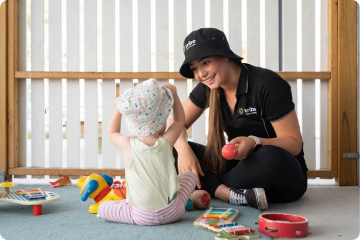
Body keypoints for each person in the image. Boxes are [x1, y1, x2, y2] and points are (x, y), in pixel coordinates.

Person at [171, 28, 308, 210]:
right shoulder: (209, 87)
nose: (200, 74)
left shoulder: (267, 84)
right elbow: (176, 124)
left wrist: (254, 141)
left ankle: (214, 185)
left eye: (206, 62)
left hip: (281, 175)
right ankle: (227, 193)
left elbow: (294, 143)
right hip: (236, 167)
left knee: (269, 156)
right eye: (195, 68)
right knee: (164, 148)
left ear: (225, 55)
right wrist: (183, 150)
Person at [97, 78, 197, 225]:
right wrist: (174, 96)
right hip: (173, 212)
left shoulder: (128, 145)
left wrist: (117, 109)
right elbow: (179, 121)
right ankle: (181, 200)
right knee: (189, 176)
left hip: (140, 216)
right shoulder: (166, 141)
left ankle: (125, 207)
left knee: (104, 208)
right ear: (162, 121)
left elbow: (112, 132)